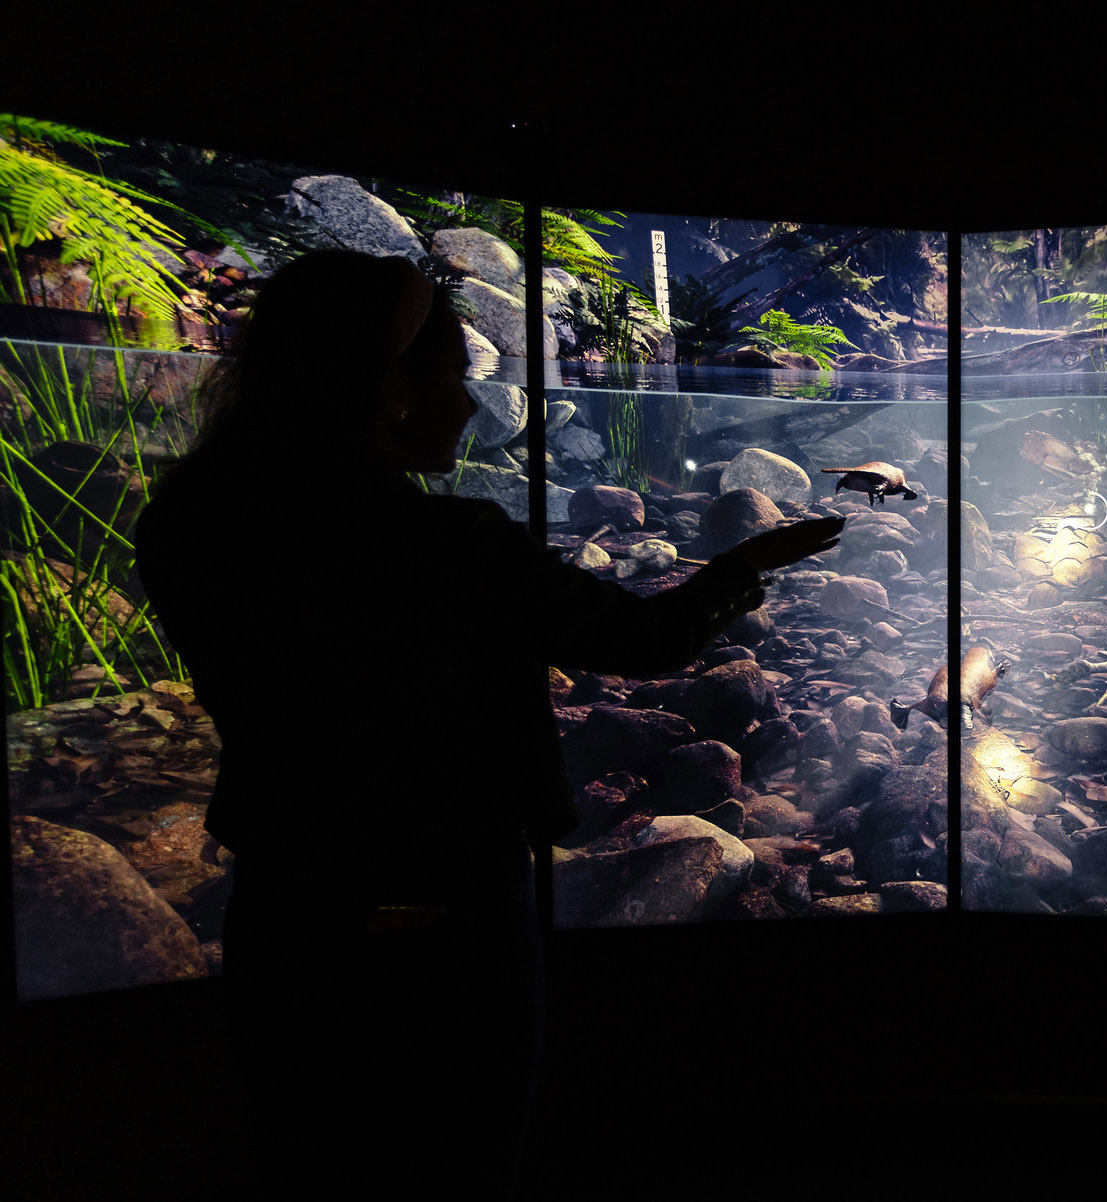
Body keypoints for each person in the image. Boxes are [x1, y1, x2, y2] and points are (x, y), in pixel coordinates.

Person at [134, 249, 843, 1200]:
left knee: (306, 1159)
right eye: (456, 377)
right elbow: (643, 637)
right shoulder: (452, 547)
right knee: (461, 1158)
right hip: (451, 911)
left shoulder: (188, 520)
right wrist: (742, 564)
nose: (471, 405)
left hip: (290, 903)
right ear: (384, 390)